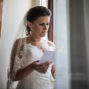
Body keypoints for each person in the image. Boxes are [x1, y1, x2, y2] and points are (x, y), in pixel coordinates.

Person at [7, 6, 55, 89]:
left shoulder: (51, 45)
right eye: (41, 24)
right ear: (30, 24)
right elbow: (13, 76)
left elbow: (53, 71)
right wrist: (32, 67)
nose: (46, 28)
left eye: (47, 24)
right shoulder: (21, 43)